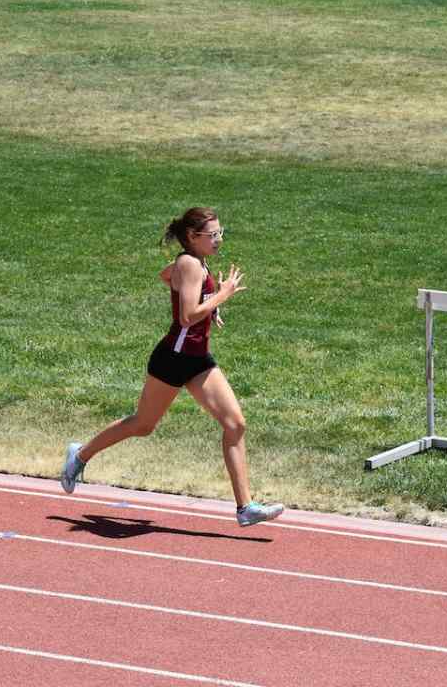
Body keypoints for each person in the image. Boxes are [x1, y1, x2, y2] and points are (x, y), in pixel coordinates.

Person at [60, 207, 284, 528]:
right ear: (193, 237)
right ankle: (79, 456)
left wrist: (208, 300)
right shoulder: (190, 263)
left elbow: (167, 277)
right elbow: (187, 316)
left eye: (221, 233)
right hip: (174, 359)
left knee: (235, 424)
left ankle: (245, 507)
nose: (219, 239)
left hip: (196, 359)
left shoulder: (192, 262)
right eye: (214, 235)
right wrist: (219, 296)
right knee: (143, 425)